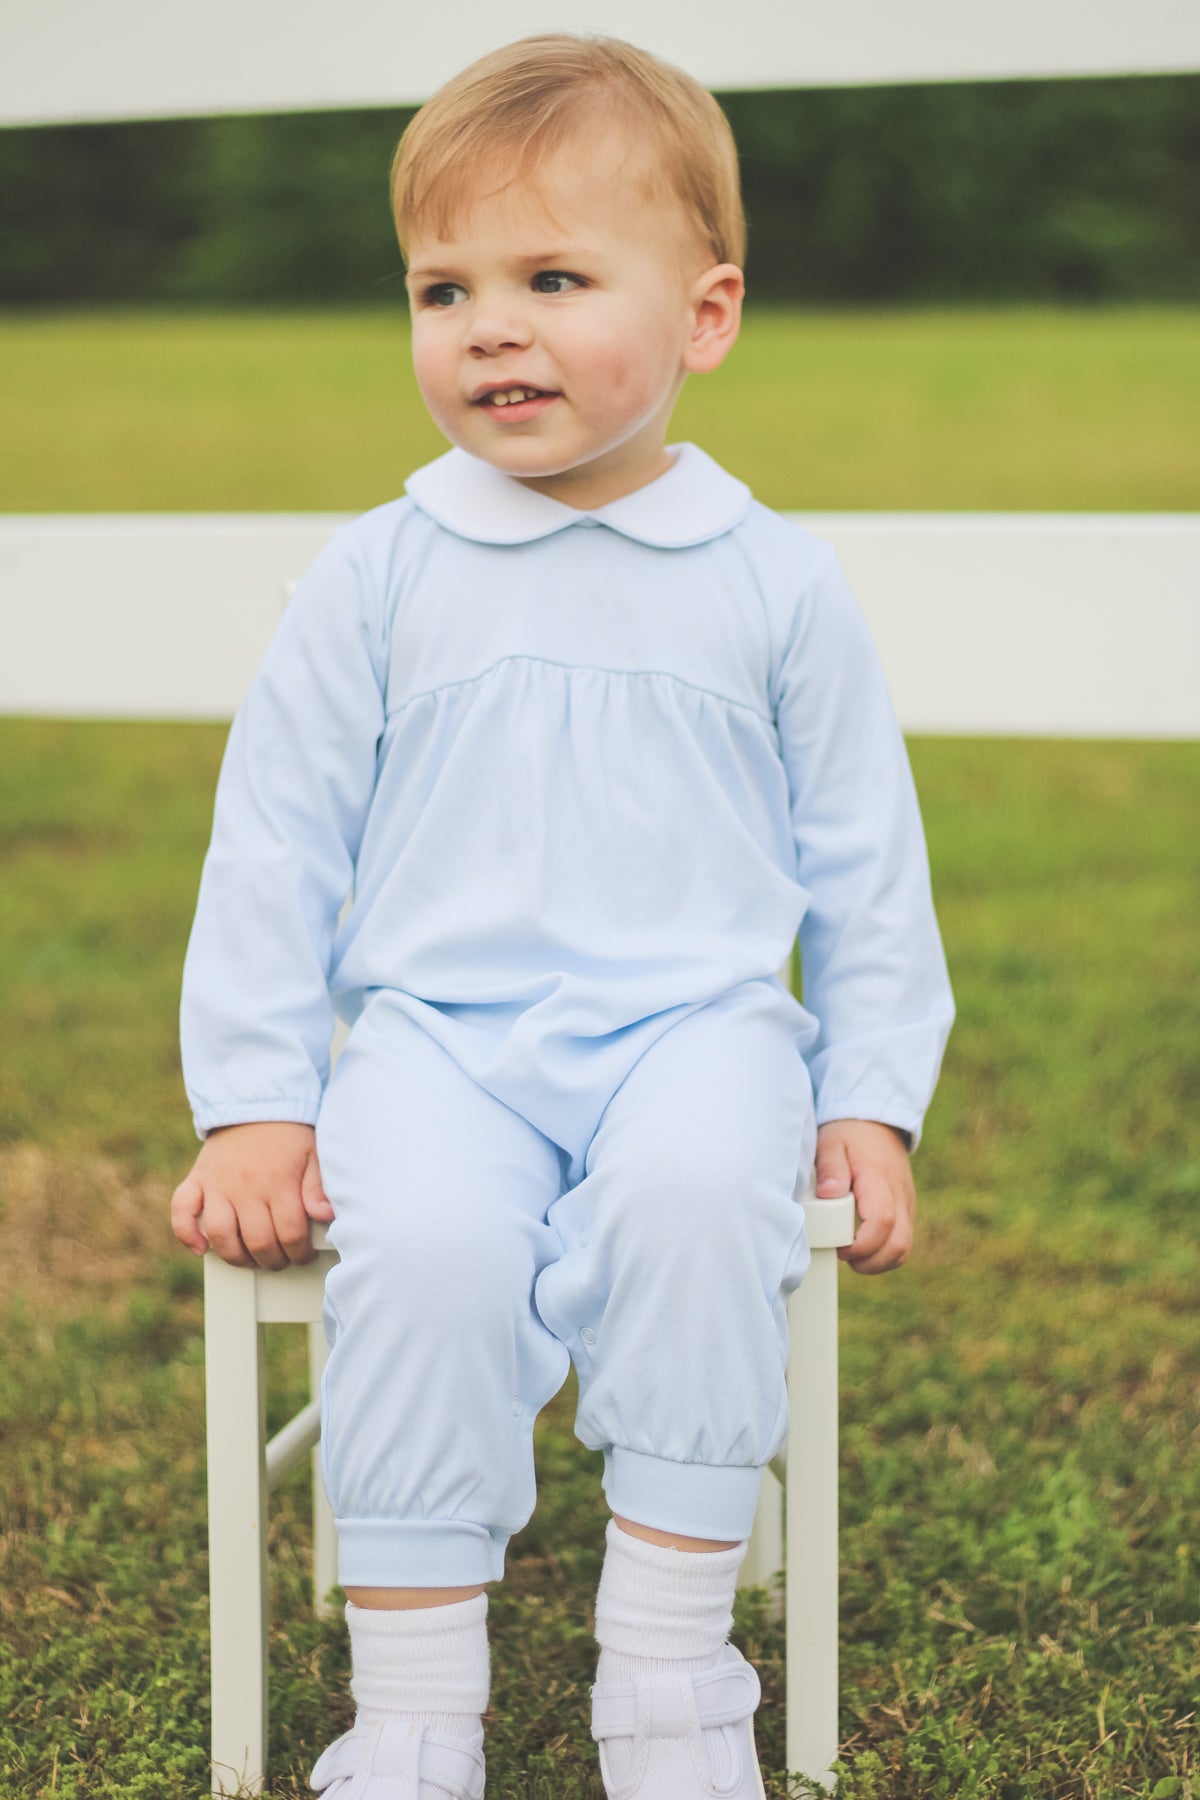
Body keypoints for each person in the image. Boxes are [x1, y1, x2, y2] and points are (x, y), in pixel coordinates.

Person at [170, 31, 955, 1800]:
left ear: (706, 316)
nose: (489, 327)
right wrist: (257, 1094)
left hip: (697, 1032)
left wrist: (870, 1091)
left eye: (551, 278)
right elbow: (274, 842)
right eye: (443, 287)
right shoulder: (378, 572)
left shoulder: (773, 581)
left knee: (695, 1206)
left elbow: (864, 868)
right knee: (428, 1253)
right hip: (440, 1043)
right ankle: (418, 1708)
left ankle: (672, 1687)